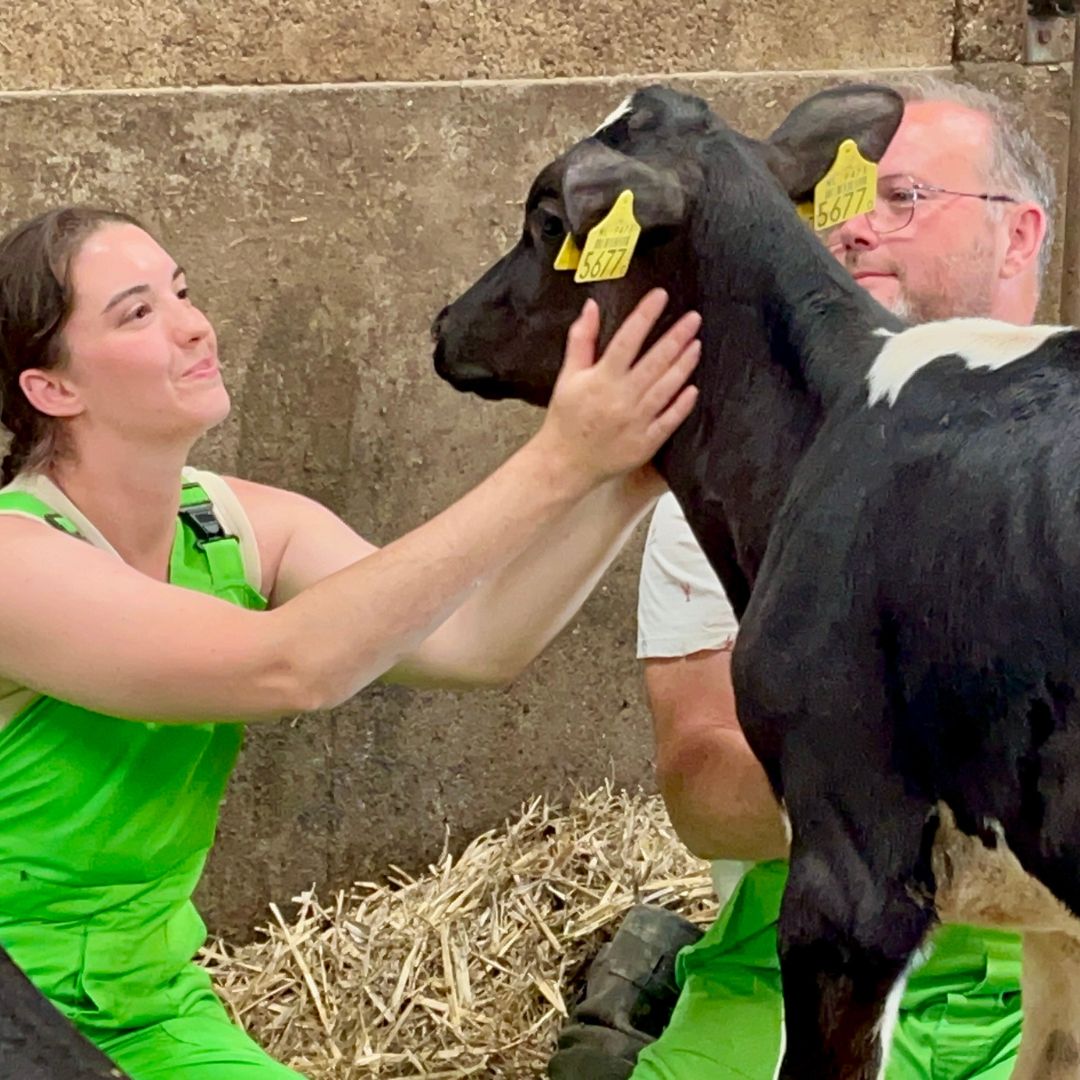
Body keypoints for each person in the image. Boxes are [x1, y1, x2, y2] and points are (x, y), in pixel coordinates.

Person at [0, 206, 702, 1080]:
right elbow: (289, 666)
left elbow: (478, 643)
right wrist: (557, 458)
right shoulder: (16, 559)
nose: (192, 325)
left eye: (182, 292)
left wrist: (628, 474)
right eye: (138, 313)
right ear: (51, 388)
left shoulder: (234, 524)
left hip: (148, 1010)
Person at [551, 75, 1056, 1080]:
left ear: (1019, 235)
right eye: (828, 201)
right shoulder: (756, 473)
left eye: (899, 198)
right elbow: (702, 781)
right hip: (798, 944)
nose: (853, 227)